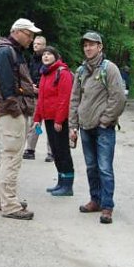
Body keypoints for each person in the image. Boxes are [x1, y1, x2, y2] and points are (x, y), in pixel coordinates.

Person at [69, 32, 127, 224]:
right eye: (85, 45)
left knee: (104, 168)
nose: (87, 48)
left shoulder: (109, 69)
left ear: (100, 47)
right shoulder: (81, 71)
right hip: (85, 127)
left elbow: (118, 97)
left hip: (104, 128)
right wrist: (73, 125)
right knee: (91, 167)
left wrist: (105, 120)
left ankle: (107, 206)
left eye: (91, 45)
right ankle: (95, 200)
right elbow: (75, 99)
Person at [0, 18, 41, 220]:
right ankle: (10, 205)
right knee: (12, 157)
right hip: (11, 112)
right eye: (29, 34)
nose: (31, 39)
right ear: (17, 32)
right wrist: (17, 110)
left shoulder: (11, 51)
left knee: (6, 156)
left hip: (11, 111)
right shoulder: (6, 52)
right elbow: (5, 87)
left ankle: (2, 201)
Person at [33, 46, 75, 196]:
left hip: (59, 120)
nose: (45, 56)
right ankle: (60, 181)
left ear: (56, 56)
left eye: (49, 54)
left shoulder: (63, 73)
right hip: (48, 118)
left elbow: (65, 98)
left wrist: (59, 119)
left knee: (63, 150)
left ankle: (68, 185)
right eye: (44, 54)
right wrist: (37, 118)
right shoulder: (45, 73)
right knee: (56, 151)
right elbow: (41, 99)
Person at [23, 35, 48, 161]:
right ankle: (31, 148)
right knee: (35, 124)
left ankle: (51, 152)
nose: (35, 45)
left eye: (38, 44)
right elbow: (27, 74)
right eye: (35, 43)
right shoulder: (32, 59)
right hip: (34, 96)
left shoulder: (49, 58)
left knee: (50, 125)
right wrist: (30, 85)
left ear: (44, 45)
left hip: (47, 97)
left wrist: (39, 86)